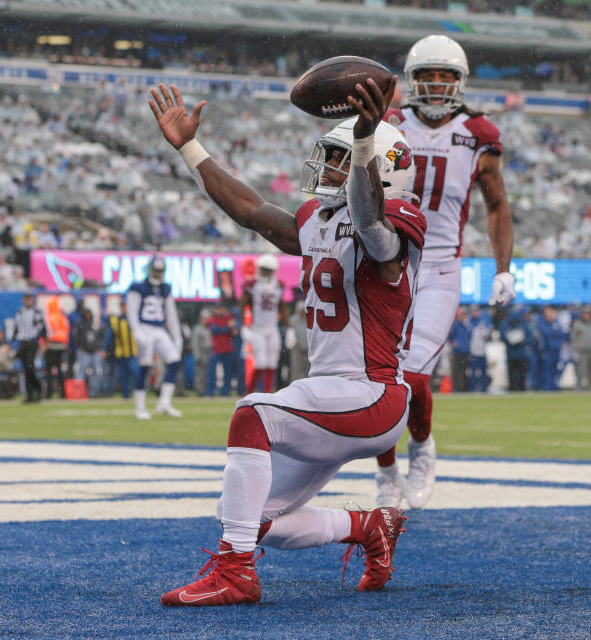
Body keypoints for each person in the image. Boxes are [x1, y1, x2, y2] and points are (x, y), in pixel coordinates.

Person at [148, 73, 424, 606]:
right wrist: (189, 148)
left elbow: (368, 223)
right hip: (330, 394)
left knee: (251, 413)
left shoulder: (391, 225)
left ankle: (234, 574)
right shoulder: (320, 221)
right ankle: (369, 525)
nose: (330, 169)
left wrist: (367, 138)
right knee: (248, 517)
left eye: (344, 159)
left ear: (379, 169)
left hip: (373, 395)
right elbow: (250, 211)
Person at [375, 34, 515, 509]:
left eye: (446, 76)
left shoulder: (478, 132)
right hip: (386, 260)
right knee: (375, 379)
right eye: (427, 76)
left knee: (411, 378)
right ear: (412, 81)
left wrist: (503, 269)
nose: (436, 85)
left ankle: (421, 446)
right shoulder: (388, 123)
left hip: (438, 266)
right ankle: (385, 470)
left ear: (460, 81)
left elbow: (496, 205)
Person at [127, 255, 183, 419]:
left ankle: (164, 402)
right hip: (144, 327)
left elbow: (171, 314)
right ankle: (140, 407)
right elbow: (132, 311)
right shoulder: (138, 287)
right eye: (156, 270)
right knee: (145, 366)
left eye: (160, 271)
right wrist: (136, 331)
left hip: (159, 329)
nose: (158, 274)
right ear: (150, 269)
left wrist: (177, 336)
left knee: (174, 360)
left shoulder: (165, 288)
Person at [241, 253, 286, 394]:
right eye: (264, 268)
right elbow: (243, 304)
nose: (266, 272)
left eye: (268, 269)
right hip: (258, 328)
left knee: (272, 363)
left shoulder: (278, 285)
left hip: (272, 328)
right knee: (260, 363)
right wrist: (244, 326)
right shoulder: (252, 284)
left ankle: (267, 395)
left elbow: (281, 306)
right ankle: (250, 392)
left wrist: (288, 328)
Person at [13, 293, 46, 403]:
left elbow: (42, 328)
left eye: (29, 299)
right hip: (23, 342)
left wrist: (43, 342)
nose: (28, 301)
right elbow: (16, 328)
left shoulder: (37, 312)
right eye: (26, 299)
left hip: (32, 342)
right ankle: (30, 394)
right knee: (26, 369)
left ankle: (38, 388)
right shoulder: (19, 311)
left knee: (30, 367)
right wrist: (12, 342)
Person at [102, 300, 139, 399]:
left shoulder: (134, 319)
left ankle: (138, 392)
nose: (124, 309)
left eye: (126, 306)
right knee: (123, 376)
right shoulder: (116, 321)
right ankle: (126, 395)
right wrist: (103, 349)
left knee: (136, 373)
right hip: (120, 352)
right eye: (123, 307)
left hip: (132, 352)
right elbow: (109, 336)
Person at [205, 301, 237, 396]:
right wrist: (228, 327)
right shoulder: (212, 319)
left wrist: (231, 328)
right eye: (218, 308)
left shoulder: (228, 317)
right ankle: (210, 393)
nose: (219, 310)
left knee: (227, 373)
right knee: (212, 373)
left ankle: (225, 392)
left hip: (227, 349)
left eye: (221, 308)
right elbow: (216, 330)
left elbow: (234, 331)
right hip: (216, 349)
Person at [43, 296, 69, 399]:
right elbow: (67, 332)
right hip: (61, 347)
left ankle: (49, 393)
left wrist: (43, 345)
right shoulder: (62, 317)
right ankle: (63, 393)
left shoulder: (49, 317)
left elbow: (45, 333)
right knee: (60, 371)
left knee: (49, 371)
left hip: (51, 346)